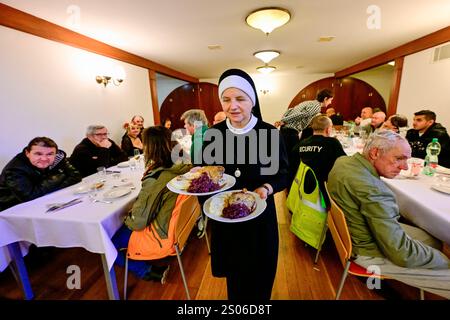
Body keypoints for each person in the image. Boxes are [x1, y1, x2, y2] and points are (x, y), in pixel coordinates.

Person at [328, 130, 450, 299]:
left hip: (357, 235)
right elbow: (401, 253)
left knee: (433, 240)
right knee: (442, 260)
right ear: (375, 153)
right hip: (368, 253)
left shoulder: (343, 161)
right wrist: (444, 260)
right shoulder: (374, 190)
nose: (405, 167)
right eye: (399, 158)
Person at [201, 68, 289, 300]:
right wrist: (201, 183)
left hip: (260, 218)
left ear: (253, 100)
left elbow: (282, 174)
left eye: (240, 98)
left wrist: (267, 188)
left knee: (261, 278)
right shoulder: (213, 135)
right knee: (235, 281)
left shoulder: (269, 133)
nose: (233, 106)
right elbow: (205, 175)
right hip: (225, 220)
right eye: (226, 100)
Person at [112, 126, 191, 282]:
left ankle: (146, 271)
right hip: (176, 224)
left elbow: (138, 222)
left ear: (151, 147)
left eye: (144, 143)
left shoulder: (159, 176)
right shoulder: (184, 164)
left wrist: (127, 217)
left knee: (108, 244)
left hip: (161, 230)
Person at [0, 137, 82, 211]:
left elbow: (76, 176)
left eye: (50, 154)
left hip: (46, 201)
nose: (44, 159)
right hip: (11, 210)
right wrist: (60, 177)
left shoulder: (58, 158)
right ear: (27, 153)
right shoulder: (14, 169)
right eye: (38, 154)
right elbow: (29, 196)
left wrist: (46, 187)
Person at [290, 115, 346, 205]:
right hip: (325, 190)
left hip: (301, 188)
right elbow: (344, 162)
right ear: (328, 129)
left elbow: (293, 163)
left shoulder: (301, 144)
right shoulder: (332, 143)